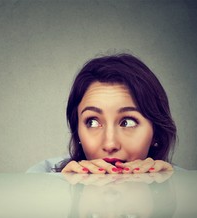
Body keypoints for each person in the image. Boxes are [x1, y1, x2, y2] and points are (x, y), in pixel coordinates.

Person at [27, 53, 177, 174]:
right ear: (77, 132)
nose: (110, 144)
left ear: (155, 132)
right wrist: (66, 193)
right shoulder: (41, 177)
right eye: (92, 122)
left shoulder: (184, 183)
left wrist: (170, 188)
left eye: (127, 122)